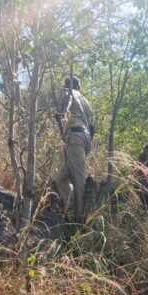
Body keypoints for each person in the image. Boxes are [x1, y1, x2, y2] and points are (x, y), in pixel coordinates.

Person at [53, 76, 95, 220]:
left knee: (79, 177)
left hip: (75, 137)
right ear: (79, 86)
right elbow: (93, 127)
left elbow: (66, 100)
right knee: (60, 178)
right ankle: (69, 204)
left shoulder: (69, 92)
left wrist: (60, 112)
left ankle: (80, 215)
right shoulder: (86, 102)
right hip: (84, 138)